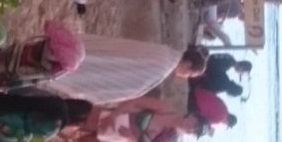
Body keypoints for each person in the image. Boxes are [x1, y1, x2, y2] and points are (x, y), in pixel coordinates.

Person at [44, 36, 207, 105]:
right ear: (188, 64)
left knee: (91, 54)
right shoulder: (164, 67)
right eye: (190, 74)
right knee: (84, 66)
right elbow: (133, 86)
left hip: (113, 53)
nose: (186, 77)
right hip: (111, 65)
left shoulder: (166, 51)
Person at [43, 96, 209, 142]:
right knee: (64, 120)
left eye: (194, 132)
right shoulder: (166, 109)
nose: (191, 129)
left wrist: (131, 138)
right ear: (192, 116)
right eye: (195, 125)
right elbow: (135, 102)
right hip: (110, 118)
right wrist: (113, 115)